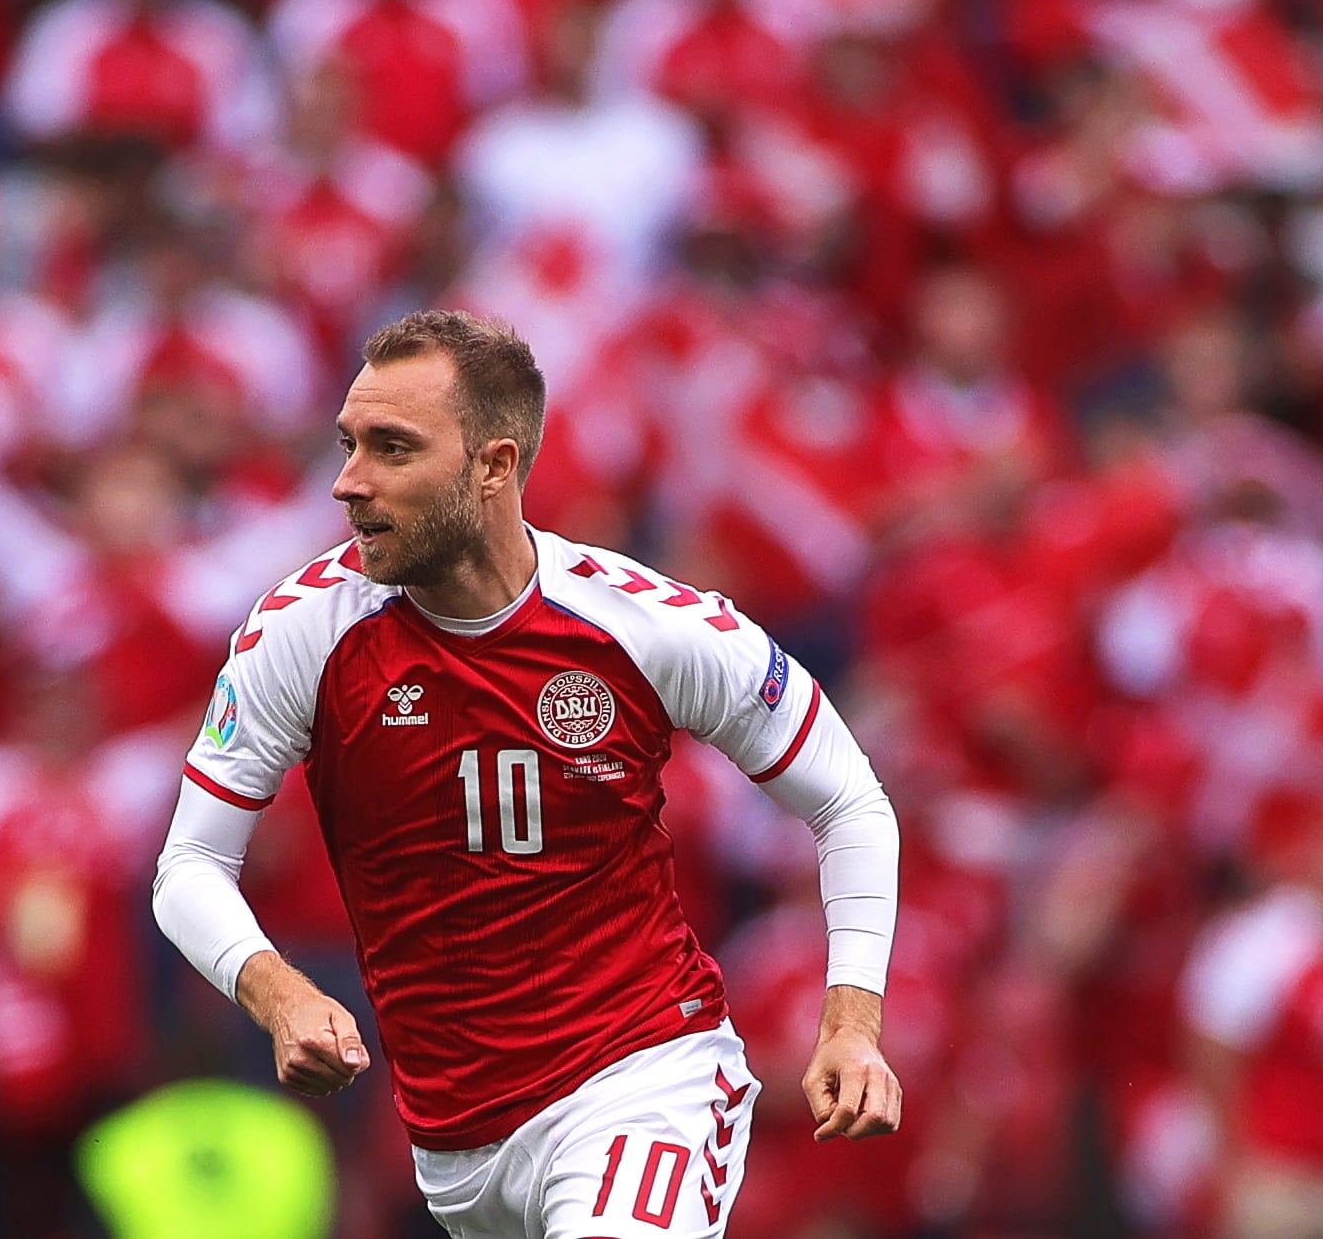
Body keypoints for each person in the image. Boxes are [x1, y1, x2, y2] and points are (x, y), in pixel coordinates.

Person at [154, 309, 903, 1238]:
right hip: (457, 1142)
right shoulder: (303, 634)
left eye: (393, 449)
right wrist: (280, 992)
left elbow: (851, 803)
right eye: (348, 445)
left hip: (643, 1076)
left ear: (495, 467)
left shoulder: (646, 627)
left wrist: (852, 1021)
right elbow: (187, 865)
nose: (350, 483)